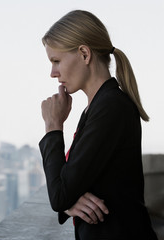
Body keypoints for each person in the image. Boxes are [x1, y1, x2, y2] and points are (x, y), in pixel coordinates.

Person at [39, 10, 158, 239]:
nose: (53, 73)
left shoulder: (111, 108)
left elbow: (60, 193)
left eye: (56, 61)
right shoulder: (98, 107)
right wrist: (68, 202)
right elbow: (67, 187)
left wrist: (53, 126)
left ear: (84, 53)